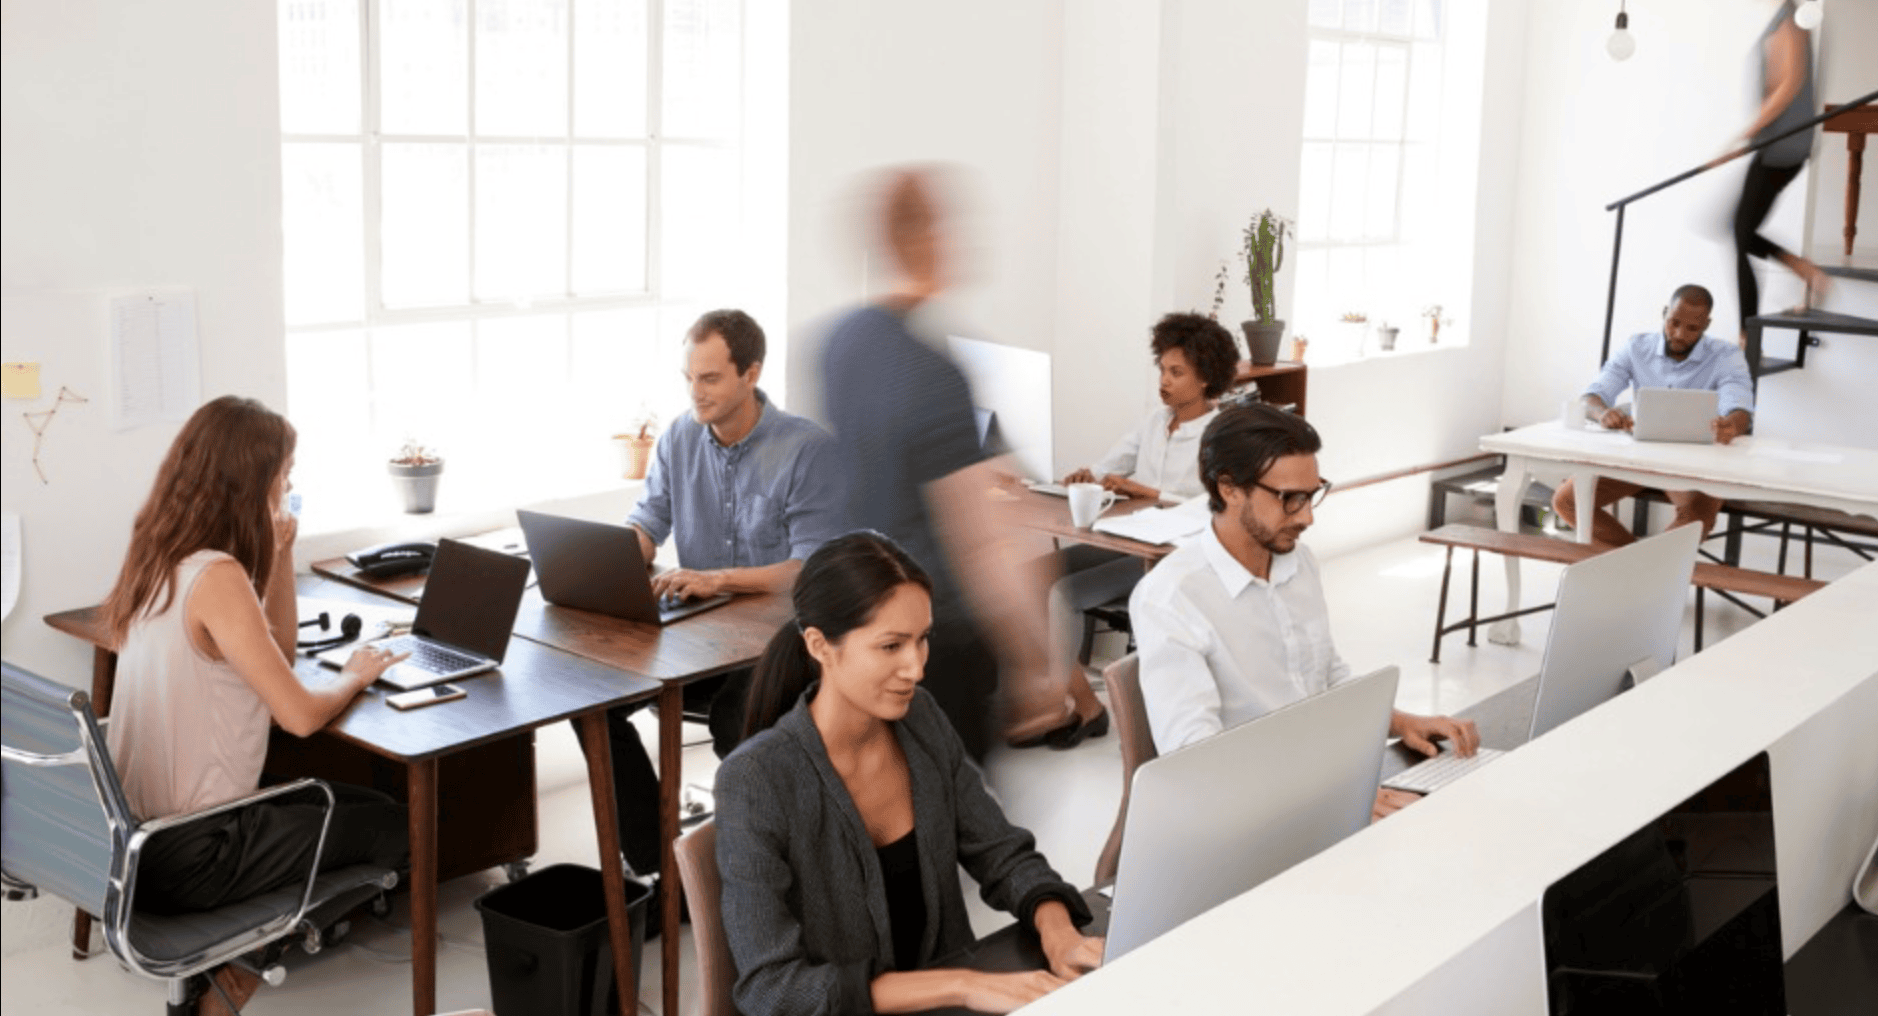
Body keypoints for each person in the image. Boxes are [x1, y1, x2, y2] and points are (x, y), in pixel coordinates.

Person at [98, 396, 408, 1015]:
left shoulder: (157, 555)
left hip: (133, 843)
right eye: (284, 475)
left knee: (357, 803)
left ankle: (223, 970)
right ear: (251, 480)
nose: (290, 486)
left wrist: (282, 553)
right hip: (197, 851)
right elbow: (298, 714)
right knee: (396, 827)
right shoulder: (218, 577)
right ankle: (224, 994)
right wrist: (353, 675)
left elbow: (277, 652)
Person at [716, 532, 1103, 1016]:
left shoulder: (919, 719)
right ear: (819, 645)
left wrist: (1060, 934)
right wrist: (959, 985)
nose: (916, 669)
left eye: (922, 640)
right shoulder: (756, 779)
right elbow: (771, 989)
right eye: (891, 646)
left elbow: (1002, 853)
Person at [1130, 404, 1479, 821]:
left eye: (1312, 495)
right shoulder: (1171, 597)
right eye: (1289, 499)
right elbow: (1195, 761)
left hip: (1318, 782)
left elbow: (1324, 679)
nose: (1308, 516)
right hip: (1248, 814)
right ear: (1229, 488)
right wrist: (1332, 803)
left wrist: (1401, 722)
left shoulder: (1300, 564)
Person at [594, 309, 843, 885]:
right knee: (600, 709)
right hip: (701, 632)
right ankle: (662, 865)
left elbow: (810, 567)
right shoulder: (679, 438)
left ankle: (762, 864)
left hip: (787, 638)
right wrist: (609, 558)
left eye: (709, 379)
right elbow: (649, 520)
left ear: (750, 373)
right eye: (687, 377)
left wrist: (718, 578)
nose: (694, 393)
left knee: (740, 715)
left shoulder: (806, 449)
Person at [819, 168, 1062, 758]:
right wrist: (1036, 662)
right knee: (956, 826)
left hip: (856, 634)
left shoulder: (839, 343)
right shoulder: (934, 372)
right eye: (951, 225)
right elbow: (980, 540)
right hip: (936, 643)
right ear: (927, 238)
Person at [1033, 311, 1241, 749]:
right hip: (1123, 545)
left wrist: (1140, 489)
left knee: (1061, 596)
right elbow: (1109, 468)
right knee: (1027, 579)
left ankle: (1068, 707)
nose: (1164, 381)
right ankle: (1083, 702)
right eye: (1162, 370)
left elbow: (1212, 506)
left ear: (1206, 379)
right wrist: (1086, 477)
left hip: (1166, 560)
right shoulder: (1153, 422)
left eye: (1176, 372)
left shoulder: (1221, 433)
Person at [1552, 284, 1755, 548]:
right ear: (1664, 313)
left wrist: (1731, 426)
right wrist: (1602, 413)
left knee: (1697, 517)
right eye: (1674, 323)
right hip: (1639, 457)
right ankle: (1641, 570)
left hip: (1697, 462)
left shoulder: (1726, 355)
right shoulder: (1636, 347)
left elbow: (1740, 409)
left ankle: (1642, 572)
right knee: (1566, 501)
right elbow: (1591, 396)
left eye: (1692, 328)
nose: (1680, 334)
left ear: (1706, 325)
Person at [1728, 0, 1825, 338]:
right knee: (1740, 231)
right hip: (1777, 146)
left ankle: (1746, 335)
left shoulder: (1788, 22)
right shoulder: (1786, 19)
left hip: (1781, 147)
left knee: (1740, 234)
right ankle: (1803, 270)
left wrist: (1743, 136)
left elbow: (1787, 87)